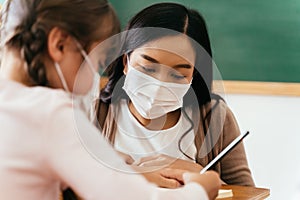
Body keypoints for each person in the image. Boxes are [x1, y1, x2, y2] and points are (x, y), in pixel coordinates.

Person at [0, 0, 221, 199]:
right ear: (59, 45)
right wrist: (201, 188)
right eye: (95, 63)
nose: (93, 79)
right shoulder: (51, 113)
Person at [97, 2, 254, 188]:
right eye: (148, 68)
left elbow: (248, 194)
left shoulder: (214, 117)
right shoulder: (94, 114)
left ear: (193, 75)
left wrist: (199, 174)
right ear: (126, 61)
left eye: (178, 74)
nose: (159, 85)